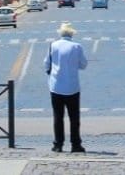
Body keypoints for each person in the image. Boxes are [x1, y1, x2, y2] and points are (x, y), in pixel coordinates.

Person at [44, 22, 88, 153]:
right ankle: (75, 144)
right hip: (72, 87)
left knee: (58, 117)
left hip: (56, 86)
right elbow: (83, 65)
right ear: (72, 34)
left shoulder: (53, 45)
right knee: (74, 118)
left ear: (60, 33)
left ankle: (58, 144)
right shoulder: (77, 47)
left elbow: (46, 63)